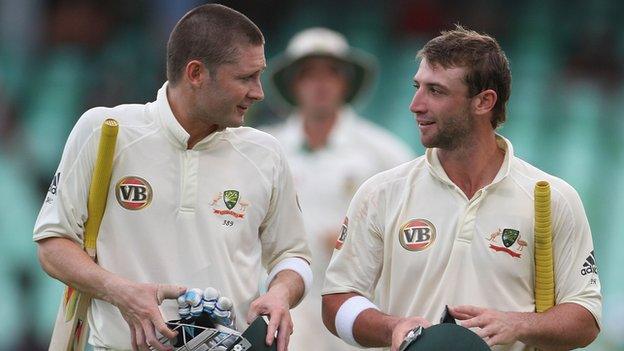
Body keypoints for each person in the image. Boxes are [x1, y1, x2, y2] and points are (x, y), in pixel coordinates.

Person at [33, 4, 312, 351]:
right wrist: (121, 292)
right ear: (195, 73)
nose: (259, 92)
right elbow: (52, 245)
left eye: (259, 75)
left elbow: (293, 256)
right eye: (245, 77)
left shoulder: (266, 152)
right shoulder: (107, 131)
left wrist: (281, 292)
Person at [321, 26, 601, 351]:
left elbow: (586, 317)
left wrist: (518, 324)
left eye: (435, 91)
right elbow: (335, 302)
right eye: (417, 87)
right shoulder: (381, 192)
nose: (415, 104)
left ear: (484, 102)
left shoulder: (554, 197)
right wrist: (393, 328)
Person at [263, 28, 414, 350]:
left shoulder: (385, 153)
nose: (320, 83)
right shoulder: (263, 150)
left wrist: (361, 241)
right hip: (283, 307)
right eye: (308, 74)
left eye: (331, 73)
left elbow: (413, 231)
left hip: (357, 311)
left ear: (345, 82)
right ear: (293, 84)